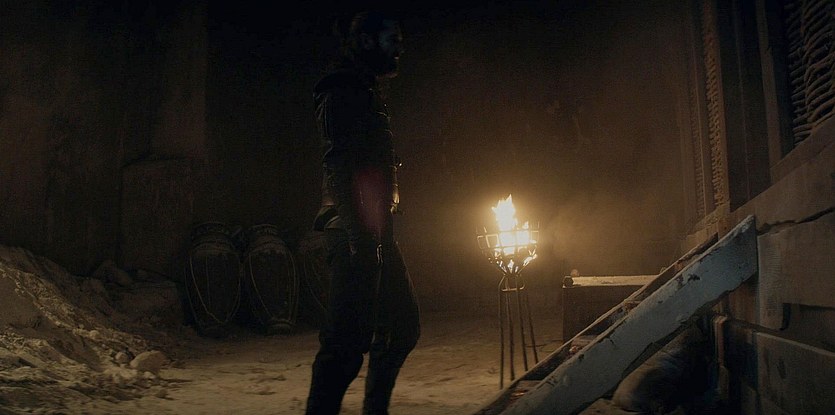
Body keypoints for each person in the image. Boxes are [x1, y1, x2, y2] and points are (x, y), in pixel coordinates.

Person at [306, 10, 421, 415]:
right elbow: (340, 165)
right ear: (368, 42)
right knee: (344, 345)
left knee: (400, 328)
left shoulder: (363, 87)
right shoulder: (341, 87)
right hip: (352, 232)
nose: (400, 48)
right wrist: (361, 240)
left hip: (373, 232)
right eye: (393, 40)